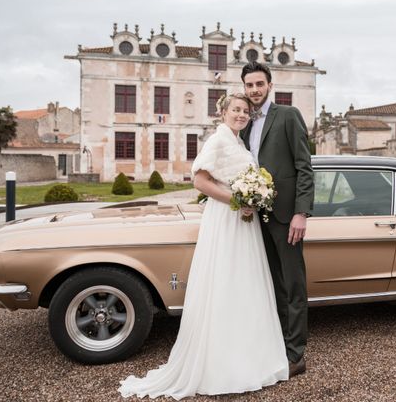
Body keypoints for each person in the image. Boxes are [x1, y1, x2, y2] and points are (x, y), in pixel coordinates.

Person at [118, 93, 288, 400]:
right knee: (224, 283)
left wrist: (252, 198)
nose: (241, 114)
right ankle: (221, 365)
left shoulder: (238, 143)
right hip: (225, 220)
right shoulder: (218, 140)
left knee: (243, 285)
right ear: (222, 112)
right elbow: (200, 180)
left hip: (243, 224)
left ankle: (249, 357)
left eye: (245, 111)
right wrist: (237, 200)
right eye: (235, 109)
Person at [240, 62, 314, 378]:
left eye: (259, 84)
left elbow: (304, 167)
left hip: (286, 216)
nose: (254, 90)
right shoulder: (242, 123)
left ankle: (296, 355)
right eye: (249, 85)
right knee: (270, 285)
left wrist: (301, 212)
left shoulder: (288, 116)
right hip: (255, 217)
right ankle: (277, 345)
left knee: (293, 284)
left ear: (270, 85)